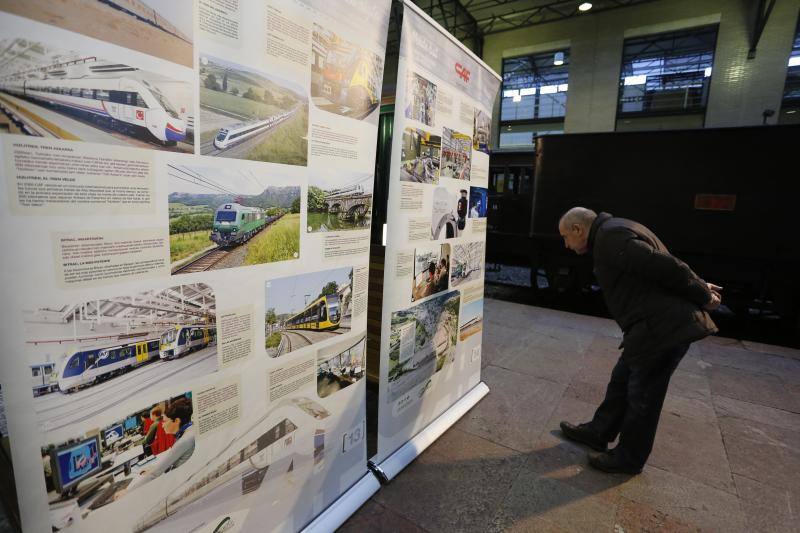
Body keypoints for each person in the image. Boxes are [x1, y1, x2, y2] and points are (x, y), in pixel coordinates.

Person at [557, 207, 721, 474]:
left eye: (565, 237)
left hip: (661, 328)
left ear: (578, 229)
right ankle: (599, 431)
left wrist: (702, 292)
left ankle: (628, 459)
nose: (565, 244)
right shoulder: (615, 230)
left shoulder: (611, 238)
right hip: (647, 327)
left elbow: (666, 266)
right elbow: (660, 263)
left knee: (643, 395)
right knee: (622, 380)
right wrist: (700, 283)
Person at [125, 398, 194, 492]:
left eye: (165, 421)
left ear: (177, 421)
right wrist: (155, 468)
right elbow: (171, 460)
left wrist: (127, 492)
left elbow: (154, 475)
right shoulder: (189, 431)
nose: (162, 425)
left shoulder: (184, 440)